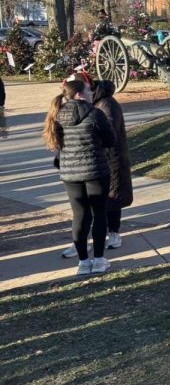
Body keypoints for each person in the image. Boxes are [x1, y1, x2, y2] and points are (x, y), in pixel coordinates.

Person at [46, 79, 116, 274]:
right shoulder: (95, 114)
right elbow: (111, 139)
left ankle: (83, 262)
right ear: (79, 95)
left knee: (79, 216)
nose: (91, 93)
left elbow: (57, 145)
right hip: (96, 170)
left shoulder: (57, 115)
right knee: (99, 213)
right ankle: (100, 259)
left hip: (70, 173)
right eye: (88, 90)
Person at [91, 80, 132, 251]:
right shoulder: (97, 103)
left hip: (112, 158)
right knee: (104, 197)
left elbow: (109, 132)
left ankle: (114, 232)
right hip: (101, 157)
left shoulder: (106, 104)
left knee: (113, 196)